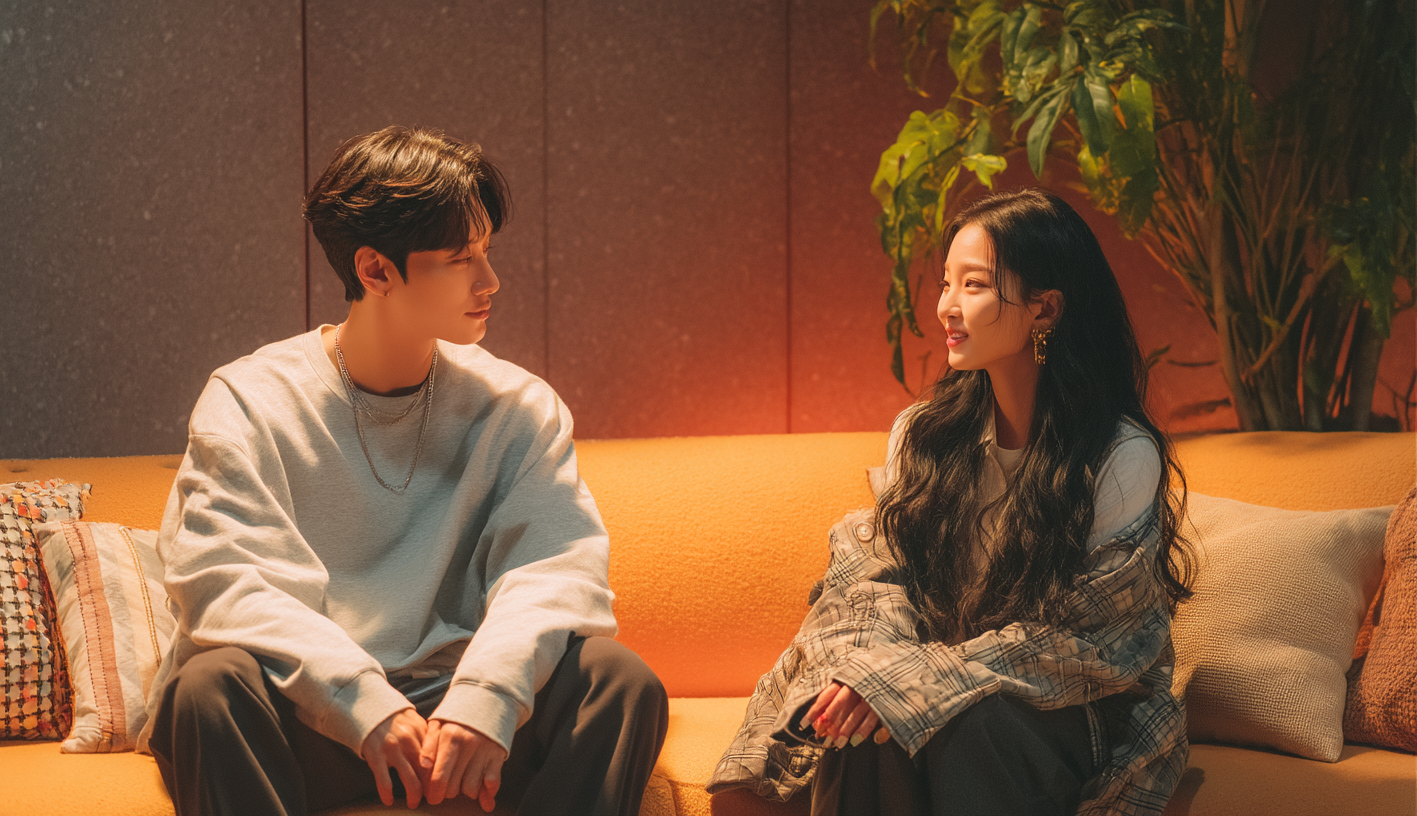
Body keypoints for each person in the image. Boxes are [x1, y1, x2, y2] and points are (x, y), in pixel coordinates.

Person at [140, 126, 668, 816]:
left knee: (618, 682)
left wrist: (484, 700)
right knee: (208, 690)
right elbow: (226, 583)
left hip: (462, 725)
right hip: (312, 715)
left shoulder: (517, 406)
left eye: (487, 251)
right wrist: (365, 705)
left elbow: (557, 570)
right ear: (376, 271)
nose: (490, 281)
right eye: (460, 258)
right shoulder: (249, 400)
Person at [708, 188, 1193, 816]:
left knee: (959, 721)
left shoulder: (1118, 453)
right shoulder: (924, 434)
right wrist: (881, 680)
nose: (946, 307)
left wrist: (916, 685)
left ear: (1045, 309)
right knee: (867, 726)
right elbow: (871, 582)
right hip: (929, 688)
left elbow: (1089, 645)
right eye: (945, 283)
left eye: (974, 285)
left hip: (1067, 714)